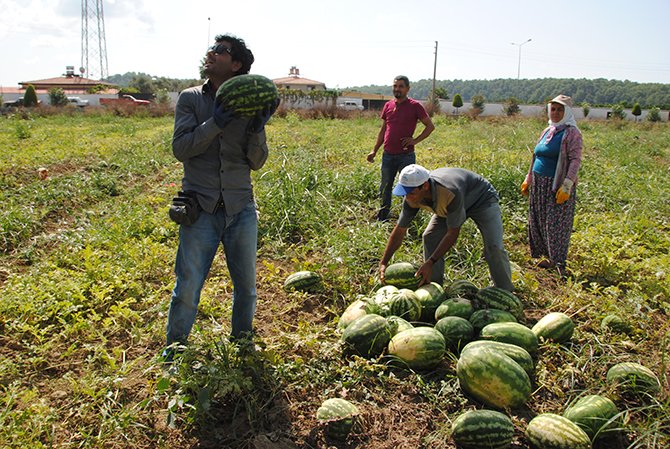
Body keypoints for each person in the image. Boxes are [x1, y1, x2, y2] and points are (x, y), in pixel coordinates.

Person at [164, 34, 277, 358]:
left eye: (220, 51)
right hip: (201, 208)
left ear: (237, 64)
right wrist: (215, 122)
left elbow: (257, 162)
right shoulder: (190, 99)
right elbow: (181, 148)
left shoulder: (250, 103)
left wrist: (256, 127)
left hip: (241, 209)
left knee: (247, 290)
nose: (210, 53)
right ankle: (174, 353)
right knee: (187, 288)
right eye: (211, 49)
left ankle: (242, 348)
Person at [379, 164, 514, 292]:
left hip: (482, 200)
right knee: (430, 237)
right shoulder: (411, 198)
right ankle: (434, 287)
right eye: (404, 192)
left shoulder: (448, 192)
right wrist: (384, 262)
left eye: (410, 192)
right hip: (450, 207)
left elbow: (452, 233)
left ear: (425, 186)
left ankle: (505, 290)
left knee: (494, 246)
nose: (407, 197)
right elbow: (400, 230)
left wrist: (430, 262)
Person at [521, 94, 582, 275]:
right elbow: (536, 156)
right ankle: (544, 257)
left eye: (560, 109)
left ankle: (558, 263)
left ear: (568, 112)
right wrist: (528, 178)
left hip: (556, 184)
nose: (555, 112)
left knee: (556, 224)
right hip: (539, 182)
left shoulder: (572, 133)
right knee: (538, 219)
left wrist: (567, 184)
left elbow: (575, 160)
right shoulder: (547, 131)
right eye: (553, 109)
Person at [367, 76, 435, 222]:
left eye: (401, 86)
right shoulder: (388, 106)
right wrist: (374, 150)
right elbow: (383, 130)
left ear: (407, 89)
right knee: (385, 187)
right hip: (388, 155)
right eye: (395, 86)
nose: (397, 89)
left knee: (411, 188)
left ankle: (408, 218)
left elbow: (430, 126)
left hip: (406, 156)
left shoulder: (415, 106)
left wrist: (415, 140)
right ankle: (383, 216)